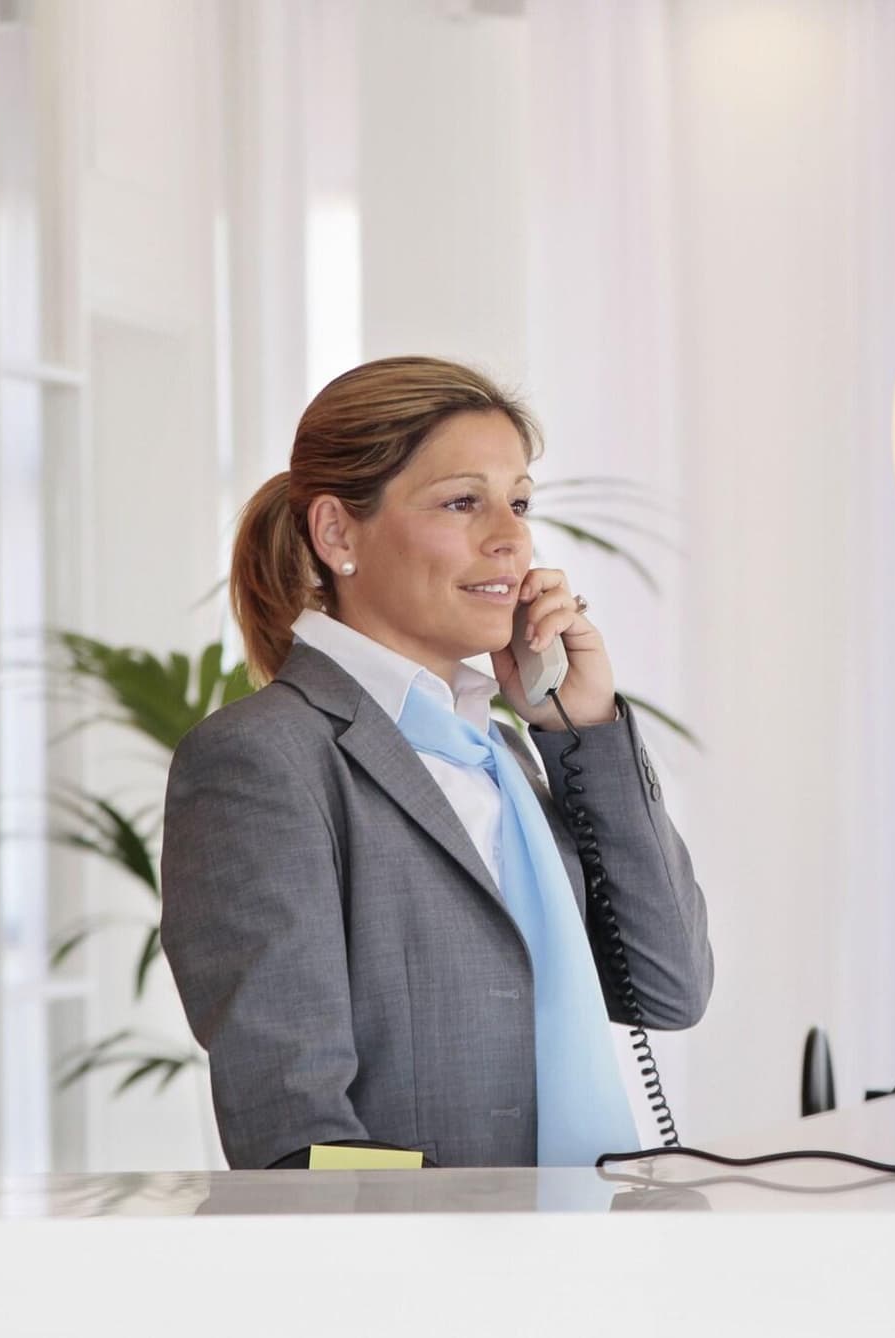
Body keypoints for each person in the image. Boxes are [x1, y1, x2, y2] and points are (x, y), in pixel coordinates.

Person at [160, 356, 712, 1170]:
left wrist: (583, 729)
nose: (511, 538)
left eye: (519, 503)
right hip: (430, 1280)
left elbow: (669, 986)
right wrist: (451, 1263)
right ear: (337, 533)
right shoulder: (263, 759)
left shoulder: (503, 755)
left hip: (584, 1255)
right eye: (463, 502)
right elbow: (296, 1132)